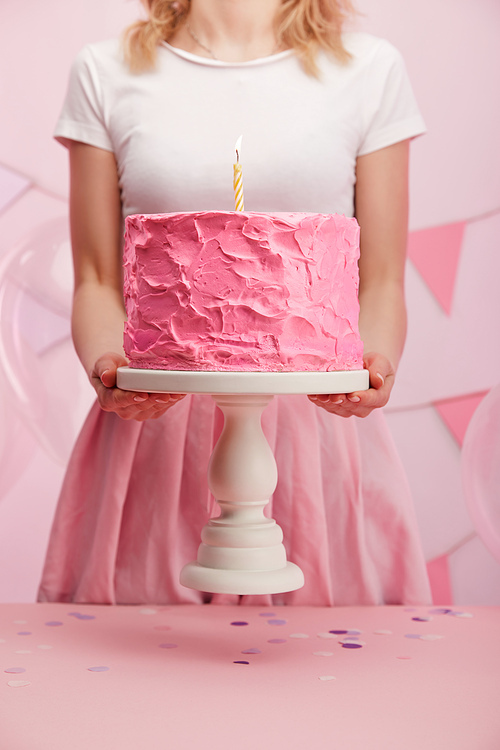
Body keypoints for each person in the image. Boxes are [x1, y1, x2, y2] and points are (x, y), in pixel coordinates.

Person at [38, 0, 431, 606]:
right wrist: (111, 368)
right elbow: (95, 277)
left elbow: (380, 280)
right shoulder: (105, 71)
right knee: (142, 670)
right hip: (154, 421)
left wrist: (372, 364)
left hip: (313, 420)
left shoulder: (369, 71)